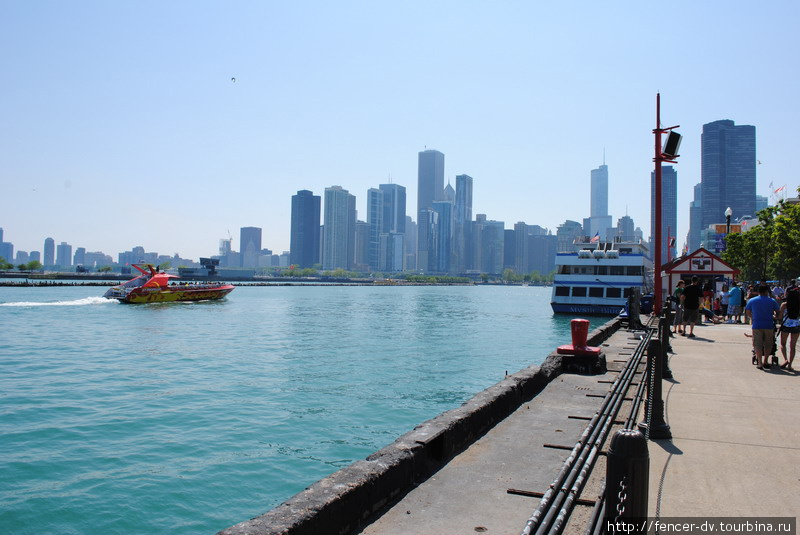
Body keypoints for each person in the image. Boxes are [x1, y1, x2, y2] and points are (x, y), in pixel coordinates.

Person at [745, 284, 780, 370]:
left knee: (758, 344)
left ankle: (759, 362)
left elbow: (748, 312)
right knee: (768, 344)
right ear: (766, 292)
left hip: (757, 325)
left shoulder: (752, 301)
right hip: (768, 325)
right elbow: (778, 312)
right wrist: (775, 316)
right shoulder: (772, 301)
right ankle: (766, 361)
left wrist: (752, 317)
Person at [778, 287, 800, 370]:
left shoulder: (784, 305)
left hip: (786, 325)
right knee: (792, 346)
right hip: (796, 325)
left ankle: (786, 359)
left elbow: (780, 317)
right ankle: (790, 365)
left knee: (783, 344)